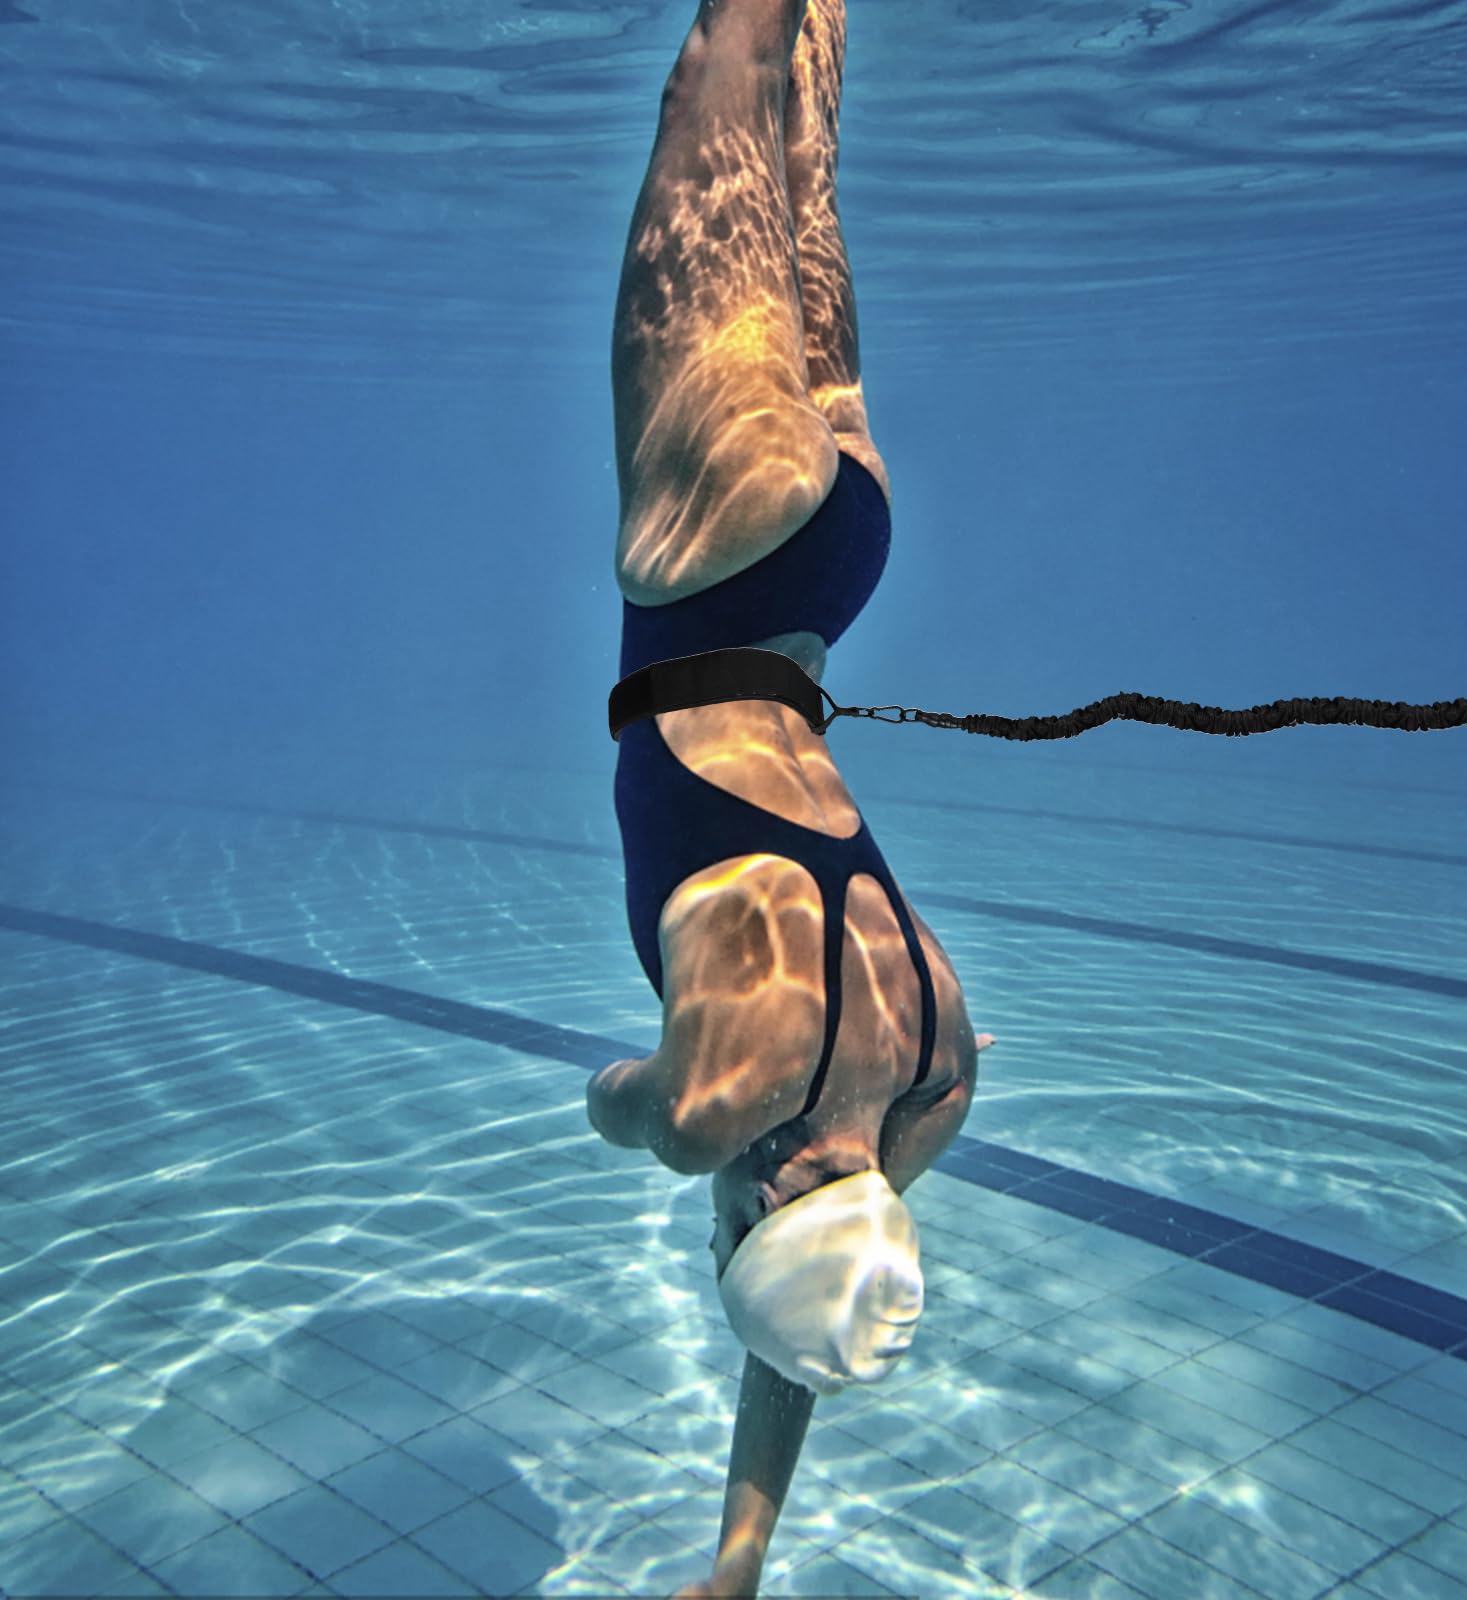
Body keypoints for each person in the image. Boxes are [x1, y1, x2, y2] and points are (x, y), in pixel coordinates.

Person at [588, 1, 995, 1592]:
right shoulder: (718, 1116)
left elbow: (815, 1311)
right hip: (710, 543)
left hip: (835, 560)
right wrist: (657, 1111)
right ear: (748, 1200)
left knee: (806, 144)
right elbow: (631, 1110)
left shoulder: (933, 1090)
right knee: (729, 62)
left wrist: (737, 1564)